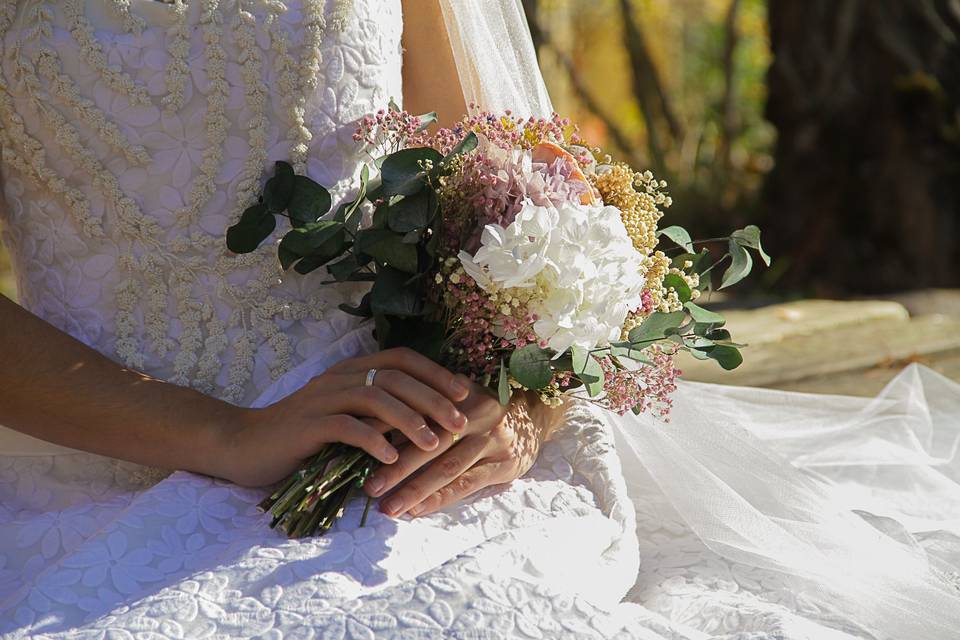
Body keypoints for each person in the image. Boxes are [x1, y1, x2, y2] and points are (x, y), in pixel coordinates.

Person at [1, 2, 958, 638]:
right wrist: (225, 433)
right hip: (90, 474)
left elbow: (504, 196)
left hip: (410, 452)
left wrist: (519, 402)